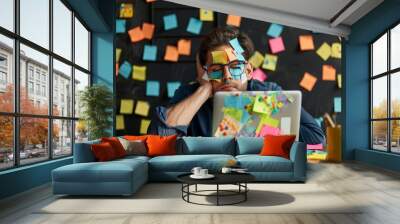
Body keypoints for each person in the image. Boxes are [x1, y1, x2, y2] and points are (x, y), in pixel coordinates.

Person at [148, 26, 325, 144]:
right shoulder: (190, 94)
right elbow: (159, 139)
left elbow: (316, 138)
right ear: (205, 72)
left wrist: (263, 129)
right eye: (217, 69)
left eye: (235, 67)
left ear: (248, 71)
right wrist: (203, 89)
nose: (226, 76)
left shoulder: (270, 93)